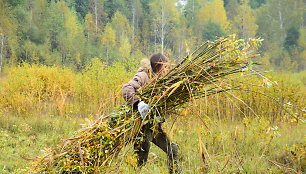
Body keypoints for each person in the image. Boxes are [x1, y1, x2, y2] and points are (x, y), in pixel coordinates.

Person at [122, 53, 181, 174]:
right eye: (164, 67)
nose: (166, 69)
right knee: (142, 157)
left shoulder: (162, 80)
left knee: (173, 150)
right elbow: (127, 89)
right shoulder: (144, 75)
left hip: (153, 126)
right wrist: (138, 104)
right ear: (158, 66)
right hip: (142, 126)